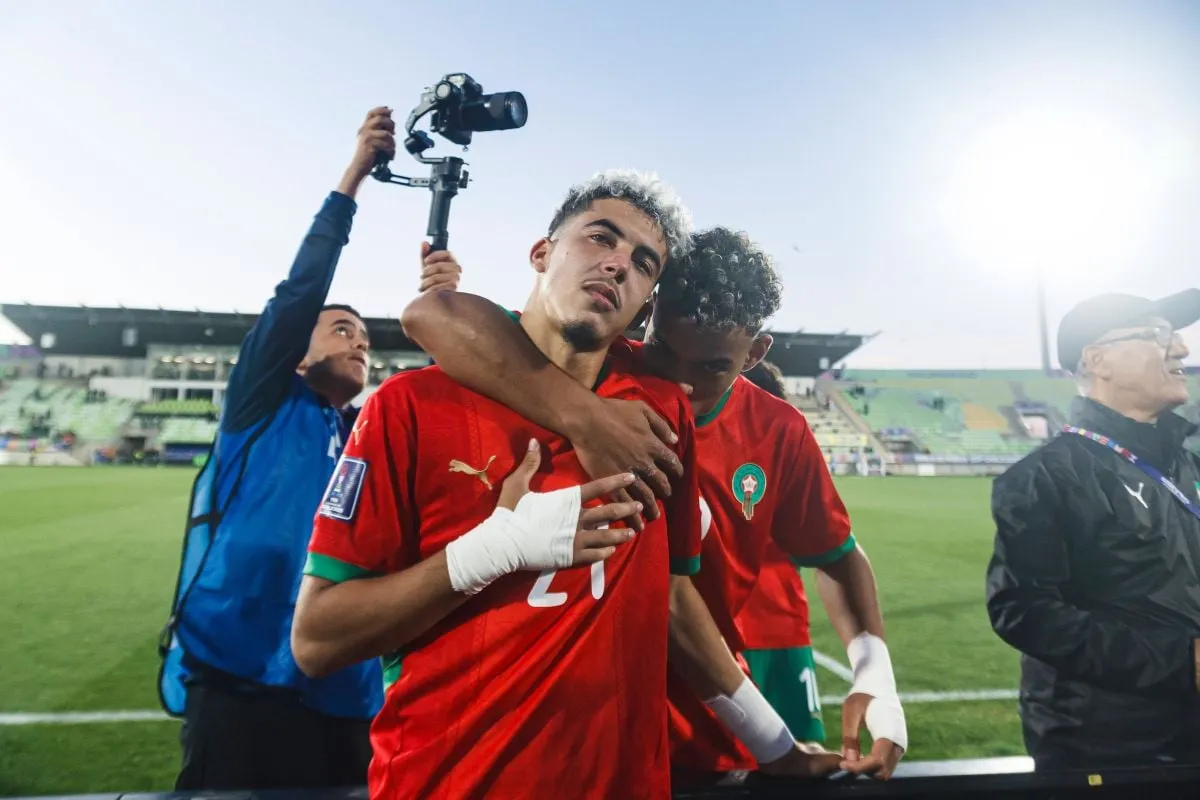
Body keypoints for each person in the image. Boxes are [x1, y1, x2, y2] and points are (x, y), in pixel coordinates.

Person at [292, 172, 837, 799]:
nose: (616, 264)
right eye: (600, 237)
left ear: (646, 306)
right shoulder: (408, 406)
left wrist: (774, 746)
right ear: (542, 252)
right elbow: (317, 640)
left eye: (643, 262)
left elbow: (673, 600)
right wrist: (486, 554)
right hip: (449, 781)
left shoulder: (661, 414)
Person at [401, 226, 907, 783]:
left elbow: (836, 553)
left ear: (756, 352)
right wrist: (581, 412)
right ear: (647, 319)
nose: (682, 386)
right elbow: (437, 315)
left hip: (711, 707)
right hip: (571, 707)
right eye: (665, 351)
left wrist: (874, 674)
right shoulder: (595, 365)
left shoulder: (777, 430)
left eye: (712, 366)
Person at [157, 107, 395, 791]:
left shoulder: (364, 434)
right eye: (342, 328)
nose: (360, 341)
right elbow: (298, 294)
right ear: (295, 357)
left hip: (346, 684)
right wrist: (354, 176)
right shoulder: (263, 404)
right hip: (240, 678)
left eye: (364, 336)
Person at [986, 289, 1200, 770]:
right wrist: (1184, 662)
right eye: (1159, 335)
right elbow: (1024, 612)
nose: (1182, 349)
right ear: (1098, 360)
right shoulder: (1046, 477)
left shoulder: (1188, 467)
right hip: (1110, 749)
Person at [738, 360, 829, 749]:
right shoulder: (788, 451)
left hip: (734, 633)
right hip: (776, 629)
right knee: (795, 760)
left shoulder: (784, 453)